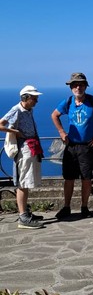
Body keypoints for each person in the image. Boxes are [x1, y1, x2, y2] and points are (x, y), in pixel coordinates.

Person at [51, 73, 93, 219]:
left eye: (81, 84)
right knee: (69, 178)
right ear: (71, 87)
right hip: (71, 146)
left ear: (85, 86)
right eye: (75, 85)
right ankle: (66, 207)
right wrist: (61, 132)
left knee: (87, 178)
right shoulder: (68, 102)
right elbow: (54, 115)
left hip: (87, 146)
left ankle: (84, 207)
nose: (78, 87)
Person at [0, 85, 45, 230]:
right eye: (34, 98)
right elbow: (1, 124)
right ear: (26, 97)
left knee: (26, 181)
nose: (36, 101)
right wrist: (15, 132)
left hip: (31, 147)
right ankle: (23, 216)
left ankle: (25, 212)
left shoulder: (28, 110)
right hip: (24, 149)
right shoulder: (17, 110)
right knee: (23, 183)